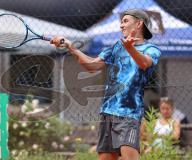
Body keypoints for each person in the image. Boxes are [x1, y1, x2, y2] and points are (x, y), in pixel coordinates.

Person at [50, 9, 161, 160]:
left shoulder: (151, 49)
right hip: (107, 112)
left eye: (125, 21)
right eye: (121, 22)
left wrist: (130, 48)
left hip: (129, 114)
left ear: (139, 23)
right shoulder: (117, 47)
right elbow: (92, 66)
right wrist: (71, 47)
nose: (121, 25)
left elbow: (144, 63)